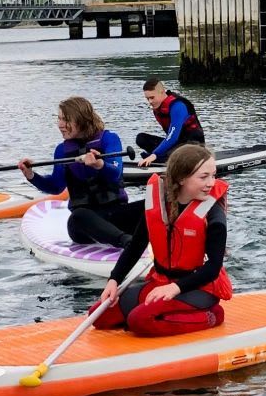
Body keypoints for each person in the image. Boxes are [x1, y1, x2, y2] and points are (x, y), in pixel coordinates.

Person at [92, 144, 231, 337]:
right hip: (161, 281)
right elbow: (136, 246)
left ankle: (212, 315)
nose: (211, 183)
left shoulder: (213, 214)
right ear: (181, 178)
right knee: (99, 316)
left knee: (139, 321)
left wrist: (175, 288)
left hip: (198, 287)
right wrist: (114, 279)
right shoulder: (158, 205)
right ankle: (162, 313)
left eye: (213, 175)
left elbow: (213, 267)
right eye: (203, 177)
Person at [20, 96, 140, 248]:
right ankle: (128, 242)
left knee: (151, 204)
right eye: (59, 119)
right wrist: (31, 175)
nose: (60, 125)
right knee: (79, 215)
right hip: (83, 226)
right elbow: (55, 187)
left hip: (115, 215)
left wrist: (99, 164)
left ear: (81, 120)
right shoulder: (62, 150)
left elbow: (116, 173)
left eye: (66, 120)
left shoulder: (109, 139)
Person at [142, 78, 206, 162]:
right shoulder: (157, 107)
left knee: (168, 154)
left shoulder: (178, 106)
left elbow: (172, 137)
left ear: (162, 92)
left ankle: (161, 158)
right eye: (148, 99)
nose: (150, 102)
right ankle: (162, 157)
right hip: (178, 144)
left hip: (194, 146)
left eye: (152, 98)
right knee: (141, 138)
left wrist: (155, 154)